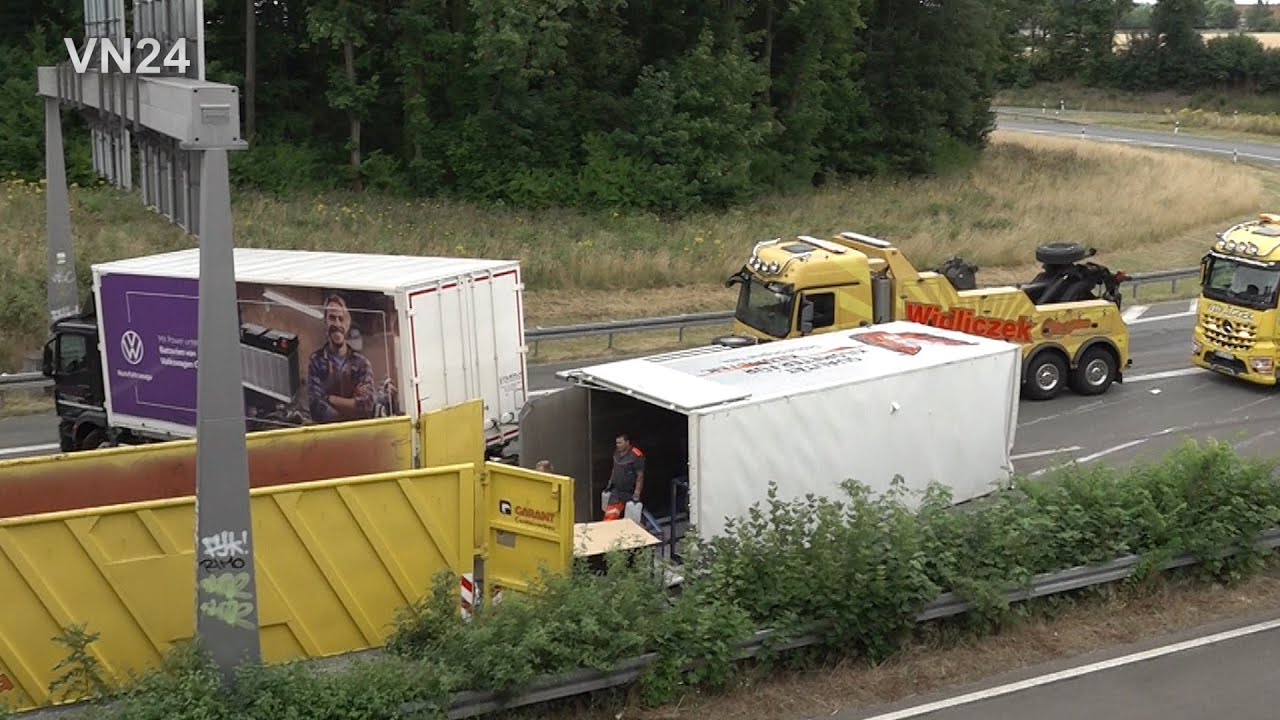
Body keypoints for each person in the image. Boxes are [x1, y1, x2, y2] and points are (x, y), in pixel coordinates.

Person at [307, 294, 377, 423]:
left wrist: (329, 399)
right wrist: (352, 407)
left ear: (348, 324)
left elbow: (367, 407)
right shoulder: (316, 361)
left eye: (341, 319)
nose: (337, 323)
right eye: (332, 318)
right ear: (325, 322)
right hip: (328, 435)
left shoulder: (361, 363)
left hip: (359, 434)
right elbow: (316, 409)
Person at [603, 432, 644, 521]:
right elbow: (614, 469)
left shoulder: (636, 455)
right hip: (617, 491)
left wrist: (636, 494)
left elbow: (640, 476)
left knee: (634, 521)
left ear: (627, 442)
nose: (618, 445)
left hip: (630, 492)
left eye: (620, 443)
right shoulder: (617, 452)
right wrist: (609, 484)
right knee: (609, 517)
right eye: (617, 443)